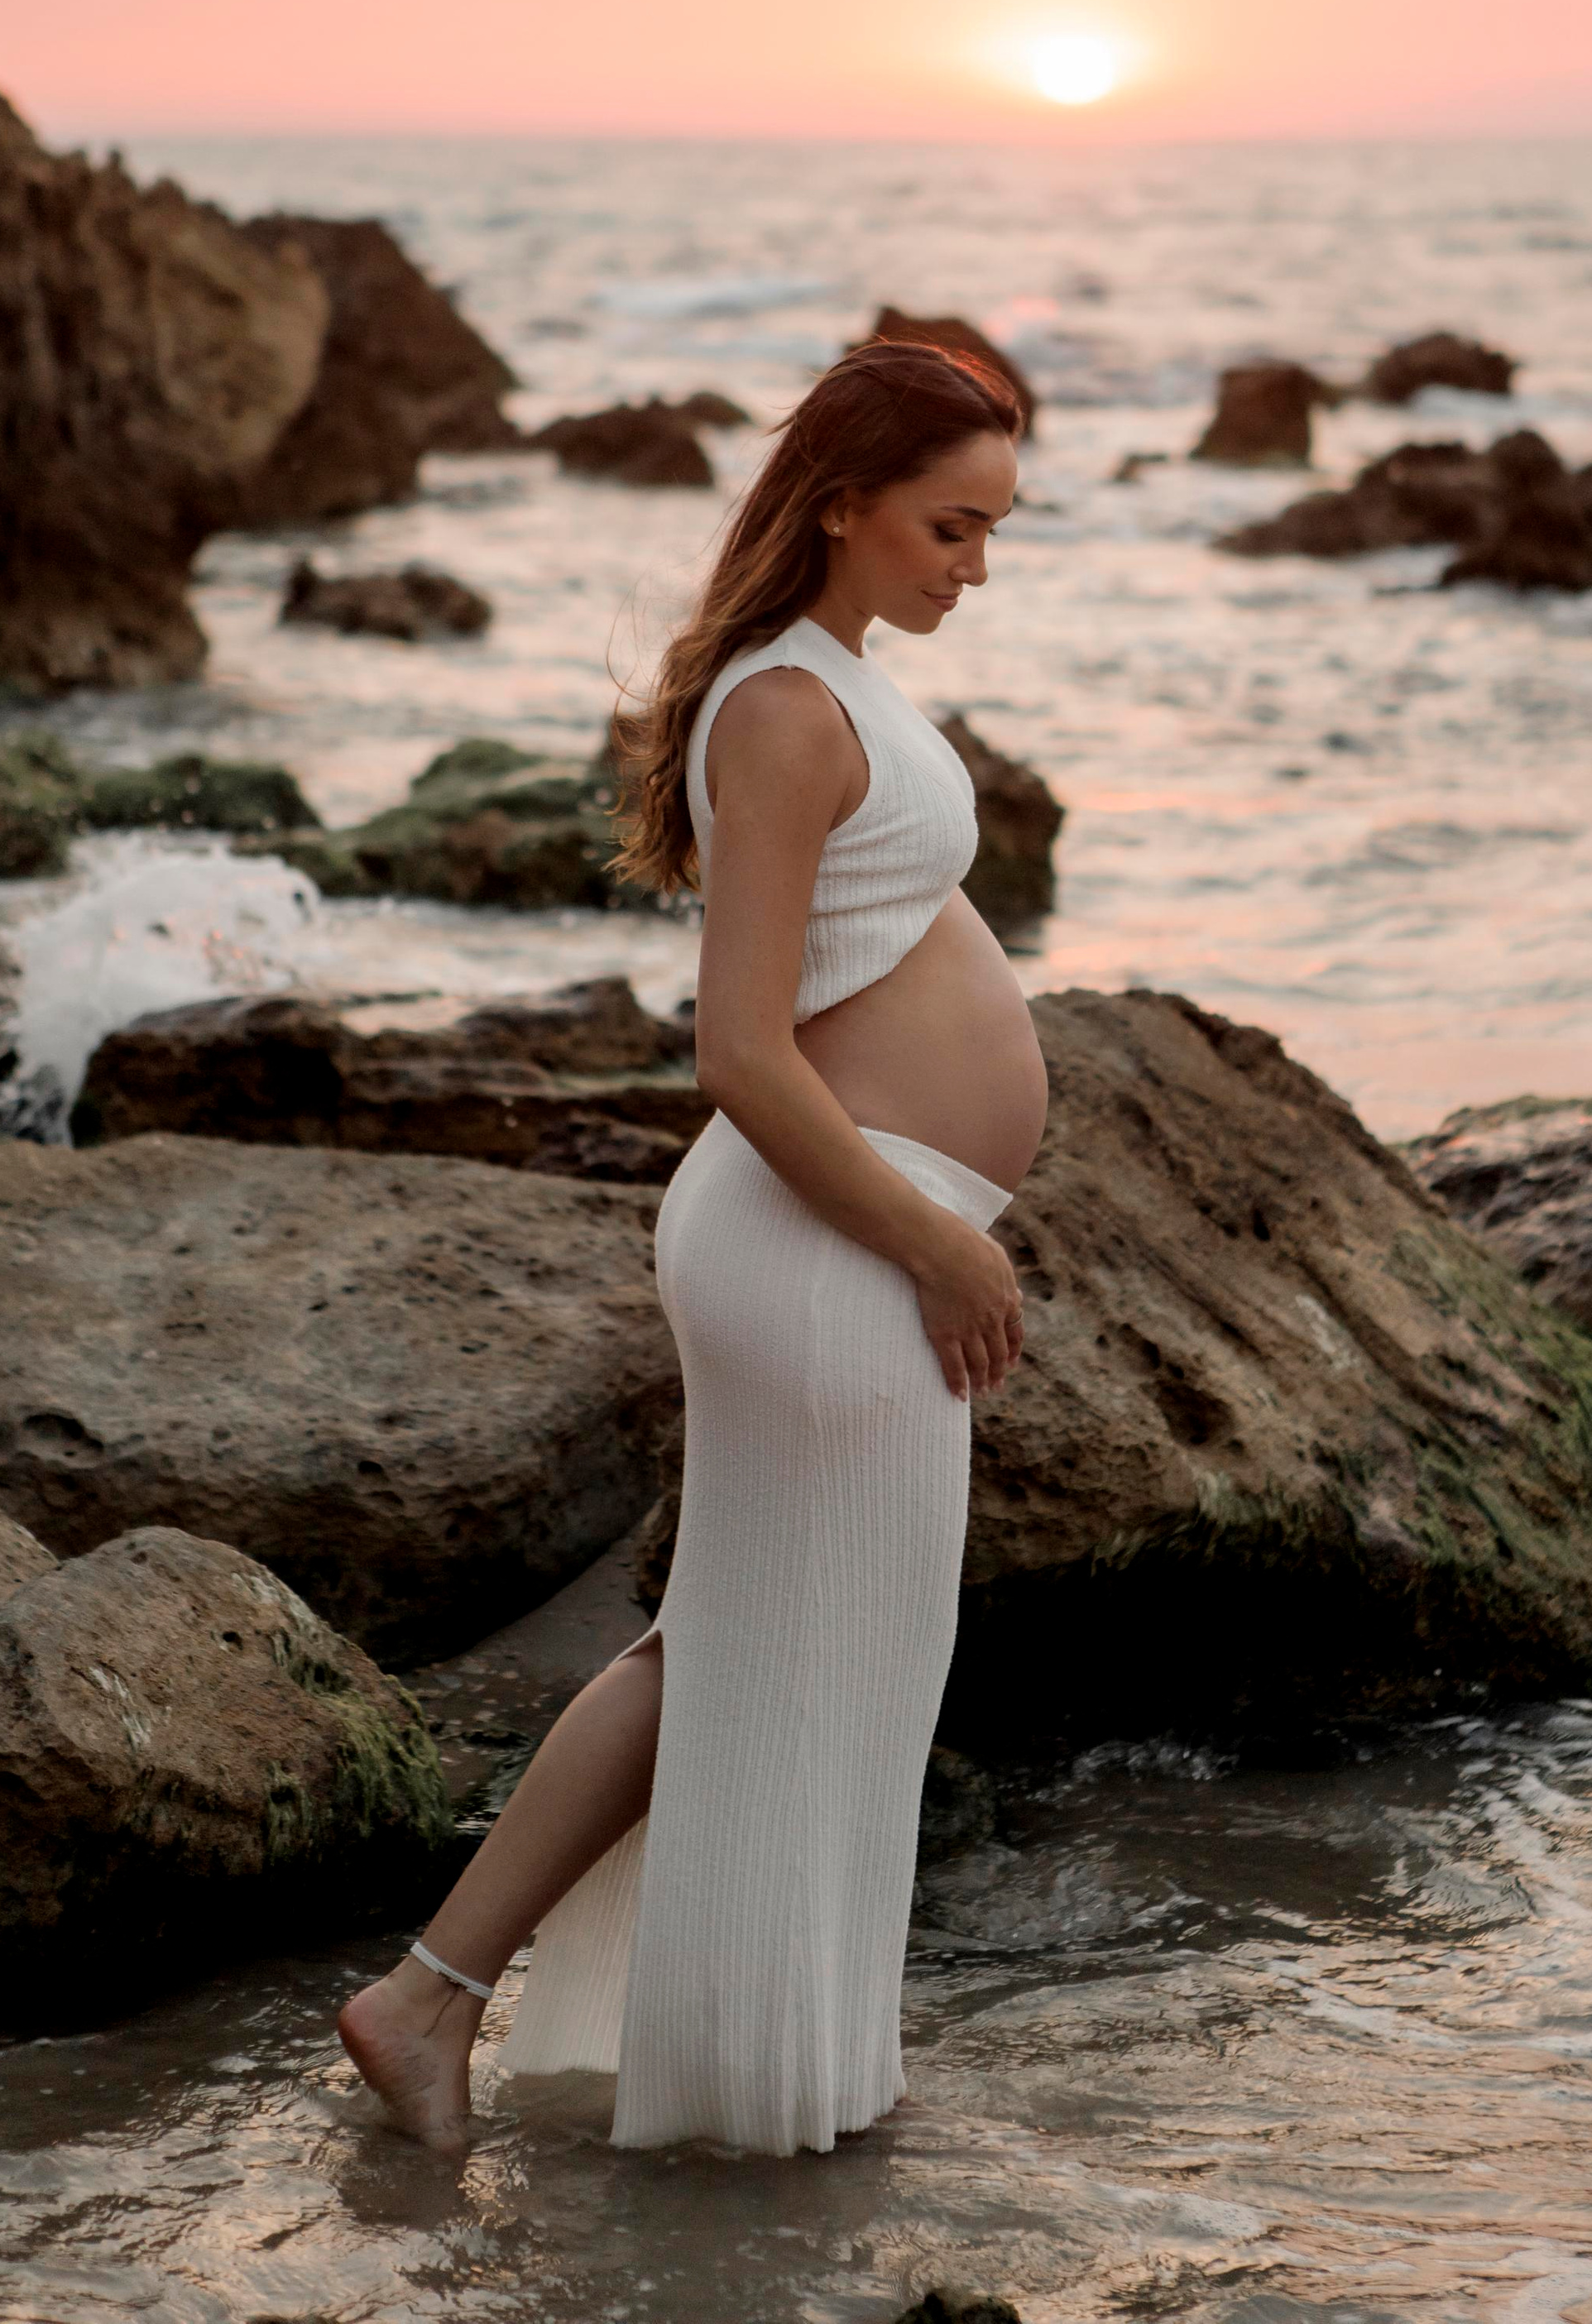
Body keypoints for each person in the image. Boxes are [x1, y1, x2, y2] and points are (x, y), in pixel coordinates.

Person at [337, 335, 1045, 2155]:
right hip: (832, 1238)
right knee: (785, 1663)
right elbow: (736, 1052)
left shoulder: (824, 684)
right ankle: (732, 2102)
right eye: (949, 526)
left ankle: (432, 2001)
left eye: (993, 531)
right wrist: (933, 1247)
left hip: (847, 1236)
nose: (974, 565)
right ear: (843, 505)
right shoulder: (785, 710)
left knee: (736, 1651)